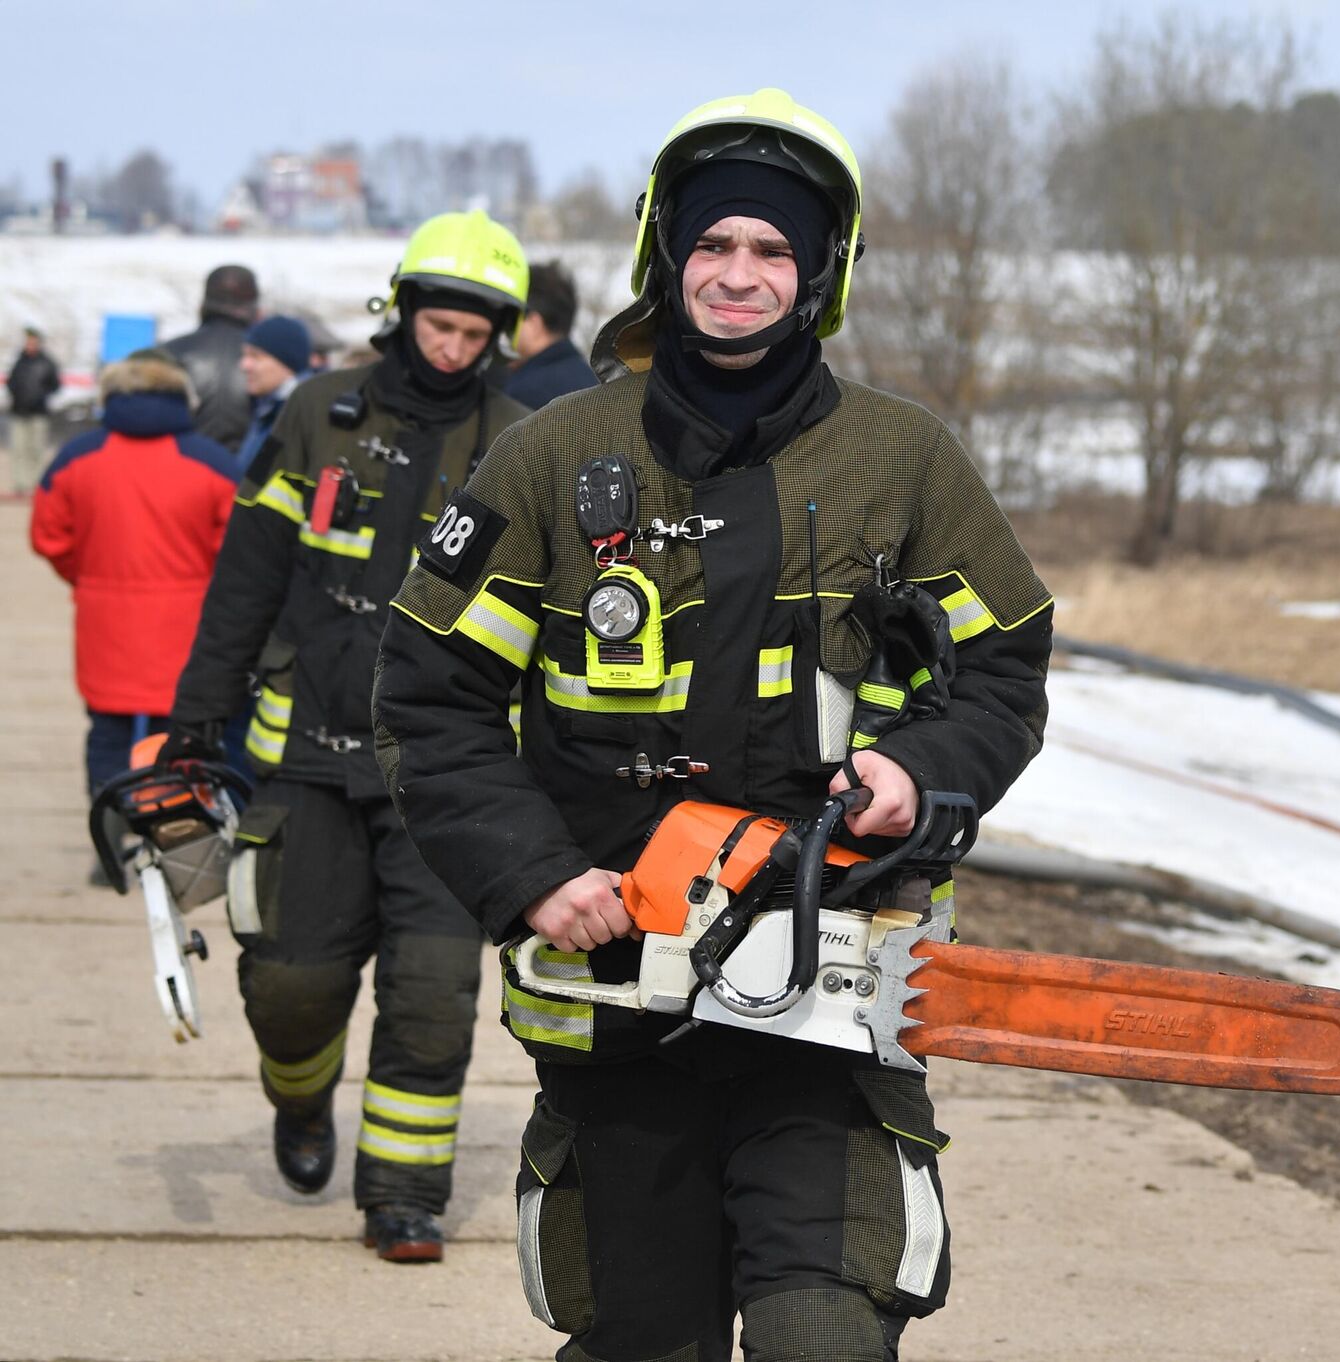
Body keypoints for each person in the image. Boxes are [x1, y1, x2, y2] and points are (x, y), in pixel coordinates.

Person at [373, 90, 1052, 1360]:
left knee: (823, 1336)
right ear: (666, 255)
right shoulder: (549, 458)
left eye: (775, 251)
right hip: (619, 1001)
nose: (740, 275)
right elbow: (430, 697)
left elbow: (1006, 673)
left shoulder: (903, 460)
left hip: (836, 997)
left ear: (822, 275)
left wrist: (919, 768)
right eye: (715, 244)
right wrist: (533, 878)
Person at [157, 212, 531, 1262]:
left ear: (496, 336)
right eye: (438, 325)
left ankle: (403, 1197)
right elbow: (248, 577)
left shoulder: (514, 441)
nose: (452, 348)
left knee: (432, 997)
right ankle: (301, 1094)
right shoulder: (321, 414)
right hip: (308, 758)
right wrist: (197, 715)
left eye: (473, 333)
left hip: (446, 778)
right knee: (289, 981)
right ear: (401, 313)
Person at [30, 348, 238, 799]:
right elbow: (238, 550)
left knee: (107, 729)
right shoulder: (212, 462)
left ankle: (109, 828)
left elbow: (49, 536)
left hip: (105, 617)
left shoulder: (76, 457)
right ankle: (169, 836)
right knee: (177, 732)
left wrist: (88, 576)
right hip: (188, 619)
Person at [162, 264, 261, 452]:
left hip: (182, 469)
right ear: (254, 308)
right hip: (250, 476)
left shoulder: (169, 352)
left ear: (203, 304)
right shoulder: (269, 359)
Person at [498, 259, 597, 410]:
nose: (504, 330)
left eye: (511, 319)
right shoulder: (592, 380)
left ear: (534, 323)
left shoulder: (524, 392)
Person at [235, 314, 313, 472]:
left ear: (286, 362)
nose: (244, 365)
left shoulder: (303, 415)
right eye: (245, 355)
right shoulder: (267, 408)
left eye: (255, 356)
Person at [7, 326, 61, 494]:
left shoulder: (48, 362)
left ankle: (35, 483)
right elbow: (12, 383)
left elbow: (55, 385)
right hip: (19, 412)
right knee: (18, 448)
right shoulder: (19, 361)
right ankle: (20, 483)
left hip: (38, 413)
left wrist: (40, 396)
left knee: (36, 449)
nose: (30, 345)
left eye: (33, 342)